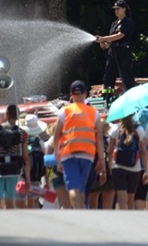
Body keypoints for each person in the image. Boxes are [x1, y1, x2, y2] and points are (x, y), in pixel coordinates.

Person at [54, 80, 105, 209]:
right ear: (85, 94)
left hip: (68, 154)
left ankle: (77, 213)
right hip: (87, 155)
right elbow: (99, 138)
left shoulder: (64, 111)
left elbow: (56, 136)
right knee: (81, 188)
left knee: (73, 187)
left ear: (71, 94)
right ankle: (81, 213)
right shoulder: (94, 113)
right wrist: (102, 161)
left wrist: (58, 158)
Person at [0, 104, 31, 210]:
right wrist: (27, 178)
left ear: (7, 115)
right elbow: (26, 158)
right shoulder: (22, 133)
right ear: (18, 116)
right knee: (10, 199)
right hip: (13, 169)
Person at [94, 0, 136, 104]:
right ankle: (107, 99)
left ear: (124, 9)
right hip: (112, 53)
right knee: (108, 76)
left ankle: (132, 99)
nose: (116, 11)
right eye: (115, 9)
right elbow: (110, 41)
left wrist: (104, 38)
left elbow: (120, 35)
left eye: (118, 9)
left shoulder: (128, 22)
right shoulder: (114, 24)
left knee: (126, 75)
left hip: (122, 52)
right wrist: (103, 43)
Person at [108, 115, 146, 210]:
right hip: (135, 169)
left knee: (122, 200)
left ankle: (123, 221)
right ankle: (131, 221)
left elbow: (110, 151)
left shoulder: (115, 129)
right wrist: (146, 170)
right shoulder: (139, 129)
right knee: (131, 200)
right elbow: (144, 152)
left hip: (117, 167)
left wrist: (109, 168)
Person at [17, 114, 47, 209]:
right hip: (35, 176)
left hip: (21, 176)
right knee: (31, 203)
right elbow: (45, 161)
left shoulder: (21, 141)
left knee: (20, 202)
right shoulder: (40, 142)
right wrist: (46, 179)